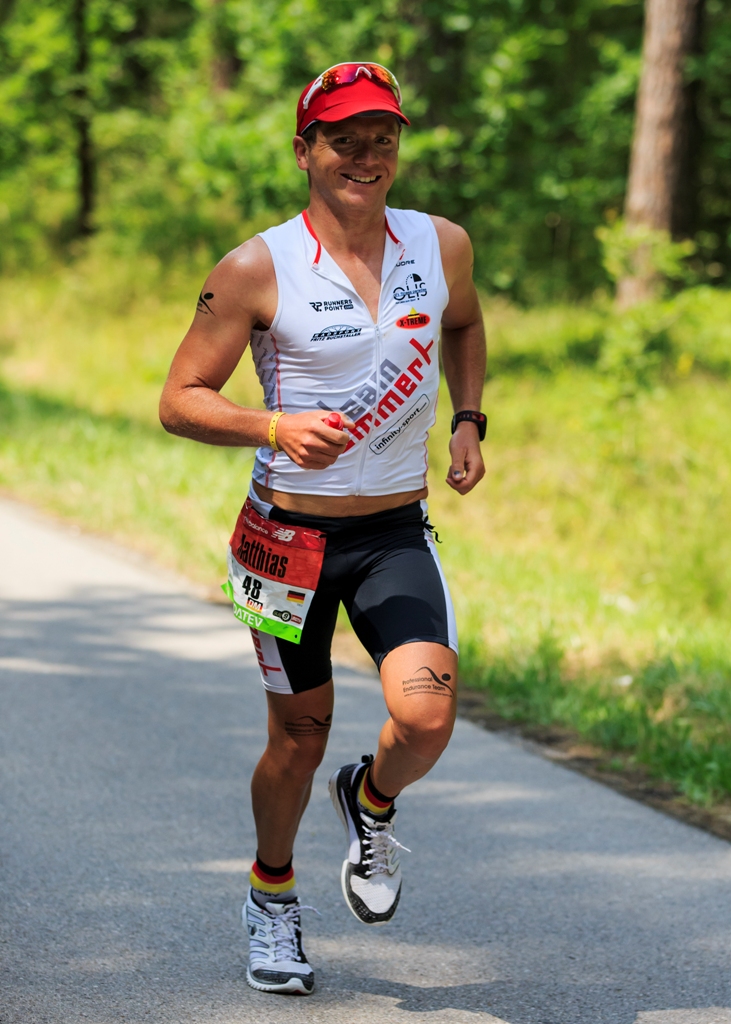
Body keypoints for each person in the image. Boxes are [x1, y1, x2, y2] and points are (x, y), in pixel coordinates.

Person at [159, 61, 487, 996]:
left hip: (393, 533)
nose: (367, 154)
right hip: (288, 544)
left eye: (383, 136)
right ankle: (272, 902)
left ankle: (370, 798)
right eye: (344, 138)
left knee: (423, 720)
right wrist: (270, 425)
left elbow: (463, 326)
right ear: (306, 151)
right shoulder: (256, 267)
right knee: (297, 738)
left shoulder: (441, 245)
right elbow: (178, 399)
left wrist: (467, 419)